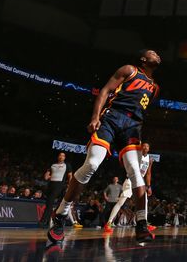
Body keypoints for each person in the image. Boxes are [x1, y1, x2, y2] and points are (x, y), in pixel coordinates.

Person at [46, 49, 161, 245]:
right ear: (143, 59)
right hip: (112, 118)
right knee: (92, 164)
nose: (156, 54)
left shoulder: (155, 88)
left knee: (135, 170)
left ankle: (142, 223)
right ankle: (61, 215)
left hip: (133, 127)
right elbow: (106, 90)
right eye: (152, 52)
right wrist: (95, 117)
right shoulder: (130, 70)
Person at [105, 142, 154, 233]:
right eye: (143, 145)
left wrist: (148, 186)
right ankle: (109, 222)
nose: (145, 147)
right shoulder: (135, 155)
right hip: (130, 180)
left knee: (145, 201)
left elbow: (148, 173)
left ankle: (145, 223)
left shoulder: (150, 159)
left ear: (149, 149)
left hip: (140, 181)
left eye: (147, 146)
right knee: (121, 201)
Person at [40, 152, 72, 227]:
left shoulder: (67, 165)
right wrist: (47, 176)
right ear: (58, 157)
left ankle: (43, 221)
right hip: (50, 185)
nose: (61, 156)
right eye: (60, 155)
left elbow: (70, 176)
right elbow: (46, 177)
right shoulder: (52, 165)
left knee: (50, 201)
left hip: (59, 185)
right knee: (48, 203)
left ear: (65, 158)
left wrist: (69, 186)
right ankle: (48, 221)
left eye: (63, 156)